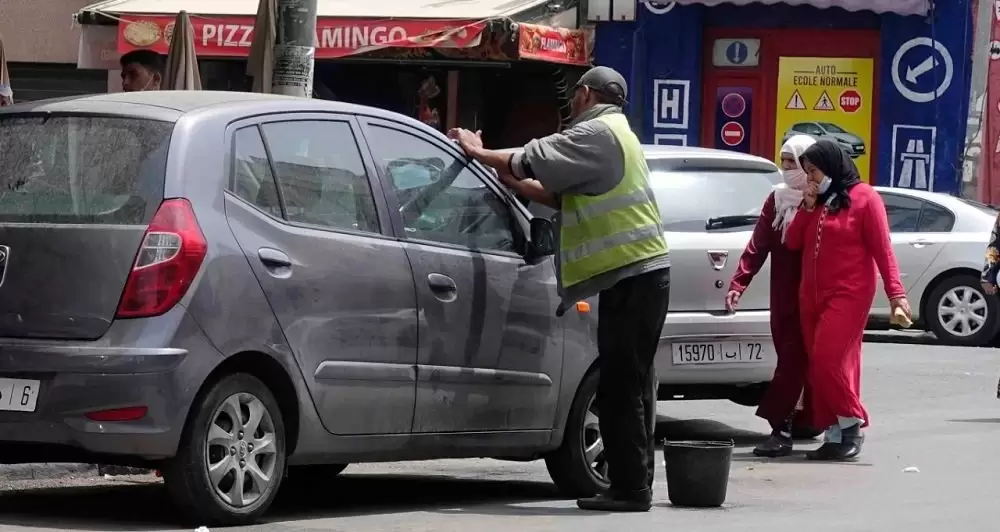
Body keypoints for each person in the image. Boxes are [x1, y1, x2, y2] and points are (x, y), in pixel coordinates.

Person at [447, 66, 670, 512]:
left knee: (620, 387)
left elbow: (531, 156)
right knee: (631, 382)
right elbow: (566, 197)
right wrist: (514, 182)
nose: (571, 103)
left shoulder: (597, 133)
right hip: (638, 276)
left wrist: (479, 150)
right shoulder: (618, 133)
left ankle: (631, 489)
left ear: (585, 94)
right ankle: (634, 482)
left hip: (634, 276)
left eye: (575, 95)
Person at [784, 139, 909, 461]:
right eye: (808, 171)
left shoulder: (865, 198)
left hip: (849, 292)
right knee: (827, 365)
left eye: (815, 170)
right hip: (811, 295)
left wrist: (897, 295)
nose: (811, 177)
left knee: (828, 359)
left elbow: (883, 250)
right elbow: (793, 242)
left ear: (833, 165)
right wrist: (807, 206)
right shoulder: (817, 201)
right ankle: (835, 432)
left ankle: (852, 423)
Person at [725, 134, 816, 458]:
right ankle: (783, 428)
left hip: (819, 296)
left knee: (821, 364)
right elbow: (758, 245)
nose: (788, 169)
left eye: (795, 162)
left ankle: (807, 425)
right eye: (785, 162)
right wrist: (738, 283)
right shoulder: (776, 201)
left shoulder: (822, 199)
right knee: (790, 362)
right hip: (785, 297)